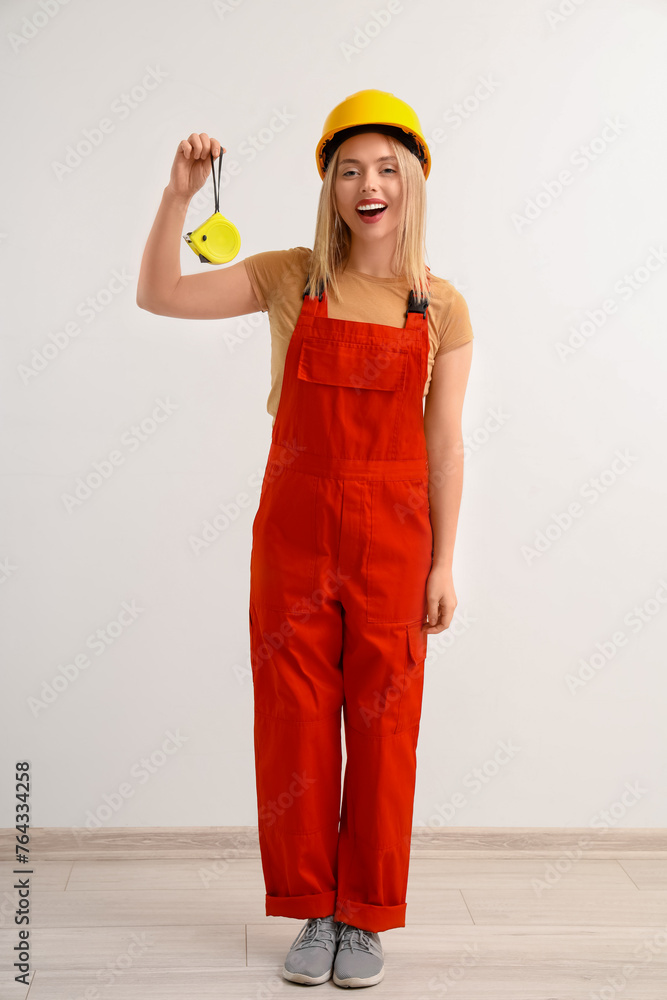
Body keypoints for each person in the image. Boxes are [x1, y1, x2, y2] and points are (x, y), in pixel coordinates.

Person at [137, 89, 473, 990]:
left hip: (396, 543)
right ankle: (311, 910)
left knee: (384, 727)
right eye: (350, 168)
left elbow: (443, 441)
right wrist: (179, 195)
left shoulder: (439, 306)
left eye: (386, 168)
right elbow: (158, 294)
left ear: (413, 183)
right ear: (329, 184)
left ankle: (364, 916)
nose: (369, 184)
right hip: (293, 537)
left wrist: (443, 560)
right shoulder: (292, 277)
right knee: (293, 726)